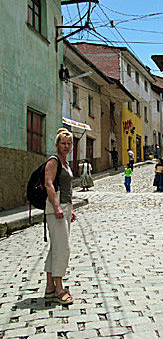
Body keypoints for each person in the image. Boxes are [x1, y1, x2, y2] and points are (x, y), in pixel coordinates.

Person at [44, 128, 76, 305]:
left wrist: (69, 209)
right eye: (63, 143)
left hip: (64, 207)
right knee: (64, 248)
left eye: (69, 143)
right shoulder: (53, 161)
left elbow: (66, 188)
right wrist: (56, 207)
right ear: (56, 144)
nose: (66, 146)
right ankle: (59, 288)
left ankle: (49, 286)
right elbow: (48, 184)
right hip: (55, 209)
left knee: (56, 247)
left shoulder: (65, 163)